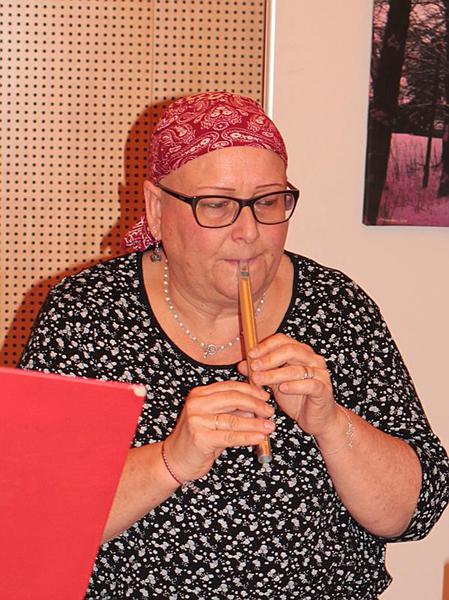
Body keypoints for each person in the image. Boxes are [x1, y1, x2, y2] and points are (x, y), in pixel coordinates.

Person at [20, 91, 449, 600]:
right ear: (156, 209)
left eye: (268, 202)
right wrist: (170, 460)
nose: (249, 232)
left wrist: (331, 424)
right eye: (217, 205)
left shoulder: (337, 309)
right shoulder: (88, 314)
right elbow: (34, 524)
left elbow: (413, 513)